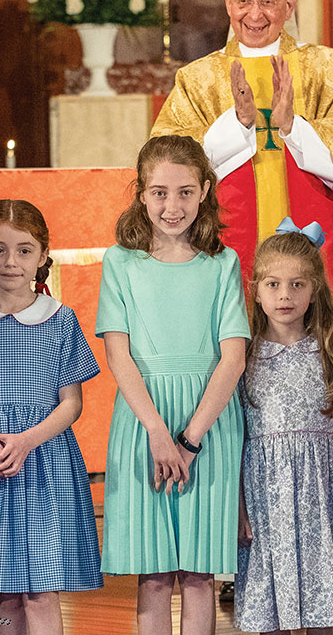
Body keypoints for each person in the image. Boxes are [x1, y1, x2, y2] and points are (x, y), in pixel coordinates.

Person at [150, 0, 333, 564]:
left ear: (290, 3)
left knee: (316, 396)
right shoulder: (198, 82)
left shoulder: (330, 70)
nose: (256, 15)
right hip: (226, 274)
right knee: (231, 390)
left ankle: (323, 543)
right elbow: (165, 171)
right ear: (227, 3)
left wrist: (295, 128)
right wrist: (237, 124)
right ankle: (234, 544)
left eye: (269, 2)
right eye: (243, 1)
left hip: (314, 273)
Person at [96, 135, 250, 634]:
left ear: (205, 190)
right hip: (145, 422)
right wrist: (161, 435)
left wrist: (190, 438)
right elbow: (118, 353)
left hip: (208, 424)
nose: (172, 205)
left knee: (200, 572)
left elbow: (233, 358)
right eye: (159, 192)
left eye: (185, 192)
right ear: (141, 193)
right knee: (155, 572)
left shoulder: (222, 263)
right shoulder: (120, 262)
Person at [0, 199, 103, 634]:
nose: (10, 261)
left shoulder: (60, 320)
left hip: (43, 465)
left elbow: (71, 403)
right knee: (5, 590)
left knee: (41, 589)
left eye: (24, 250)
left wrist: (26, 440)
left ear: (43, 256)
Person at [236, 220, 333, 635]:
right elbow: (233, 439)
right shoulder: (241, 357)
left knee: (324, 608)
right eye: (273, 284)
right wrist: (236, 505)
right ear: (255, 289)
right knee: (269, 605)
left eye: (297, 284)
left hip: (319, 499)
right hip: (264, 497)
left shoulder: (330, 353)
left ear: (315, 289)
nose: (285, 295)